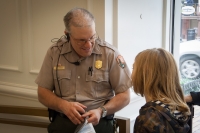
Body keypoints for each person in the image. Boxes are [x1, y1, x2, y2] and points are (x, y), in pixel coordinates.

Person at [35, 7, 132, 133]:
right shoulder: (55, 52)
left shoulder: (110, 54)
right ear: (67, 35)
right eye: (81, 40)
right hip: (63, 124)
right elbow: (42, 92)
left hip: (99, 125)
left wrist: (101, 111)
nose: (88, 45)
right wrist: (63, 105)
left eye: (92, 37)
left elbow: (125, 95)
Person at [131, 48, 191, 133]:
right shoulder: (176, 109)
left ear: (145, 75)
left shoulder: (149, 118)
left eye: (133, 68)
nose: (131, 74)